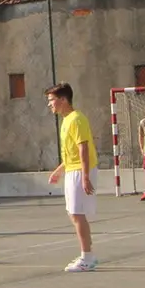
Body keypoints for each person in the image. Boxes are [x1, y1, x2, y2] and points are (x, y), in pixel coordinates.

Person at [46, 83, 99, 272]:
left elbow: (83, 148)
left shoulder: (76, 119)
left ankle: (87, 257)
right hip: (72, 170)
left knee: (77, 214)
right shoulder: (66, 120)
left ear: (63, 99)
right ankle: (87, 253)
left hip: (79, 171)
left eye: (52, 100)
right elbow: (71, 153)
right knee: (73, 213)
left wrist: (85, 176)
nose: (49, 104)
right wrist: (59, 170)